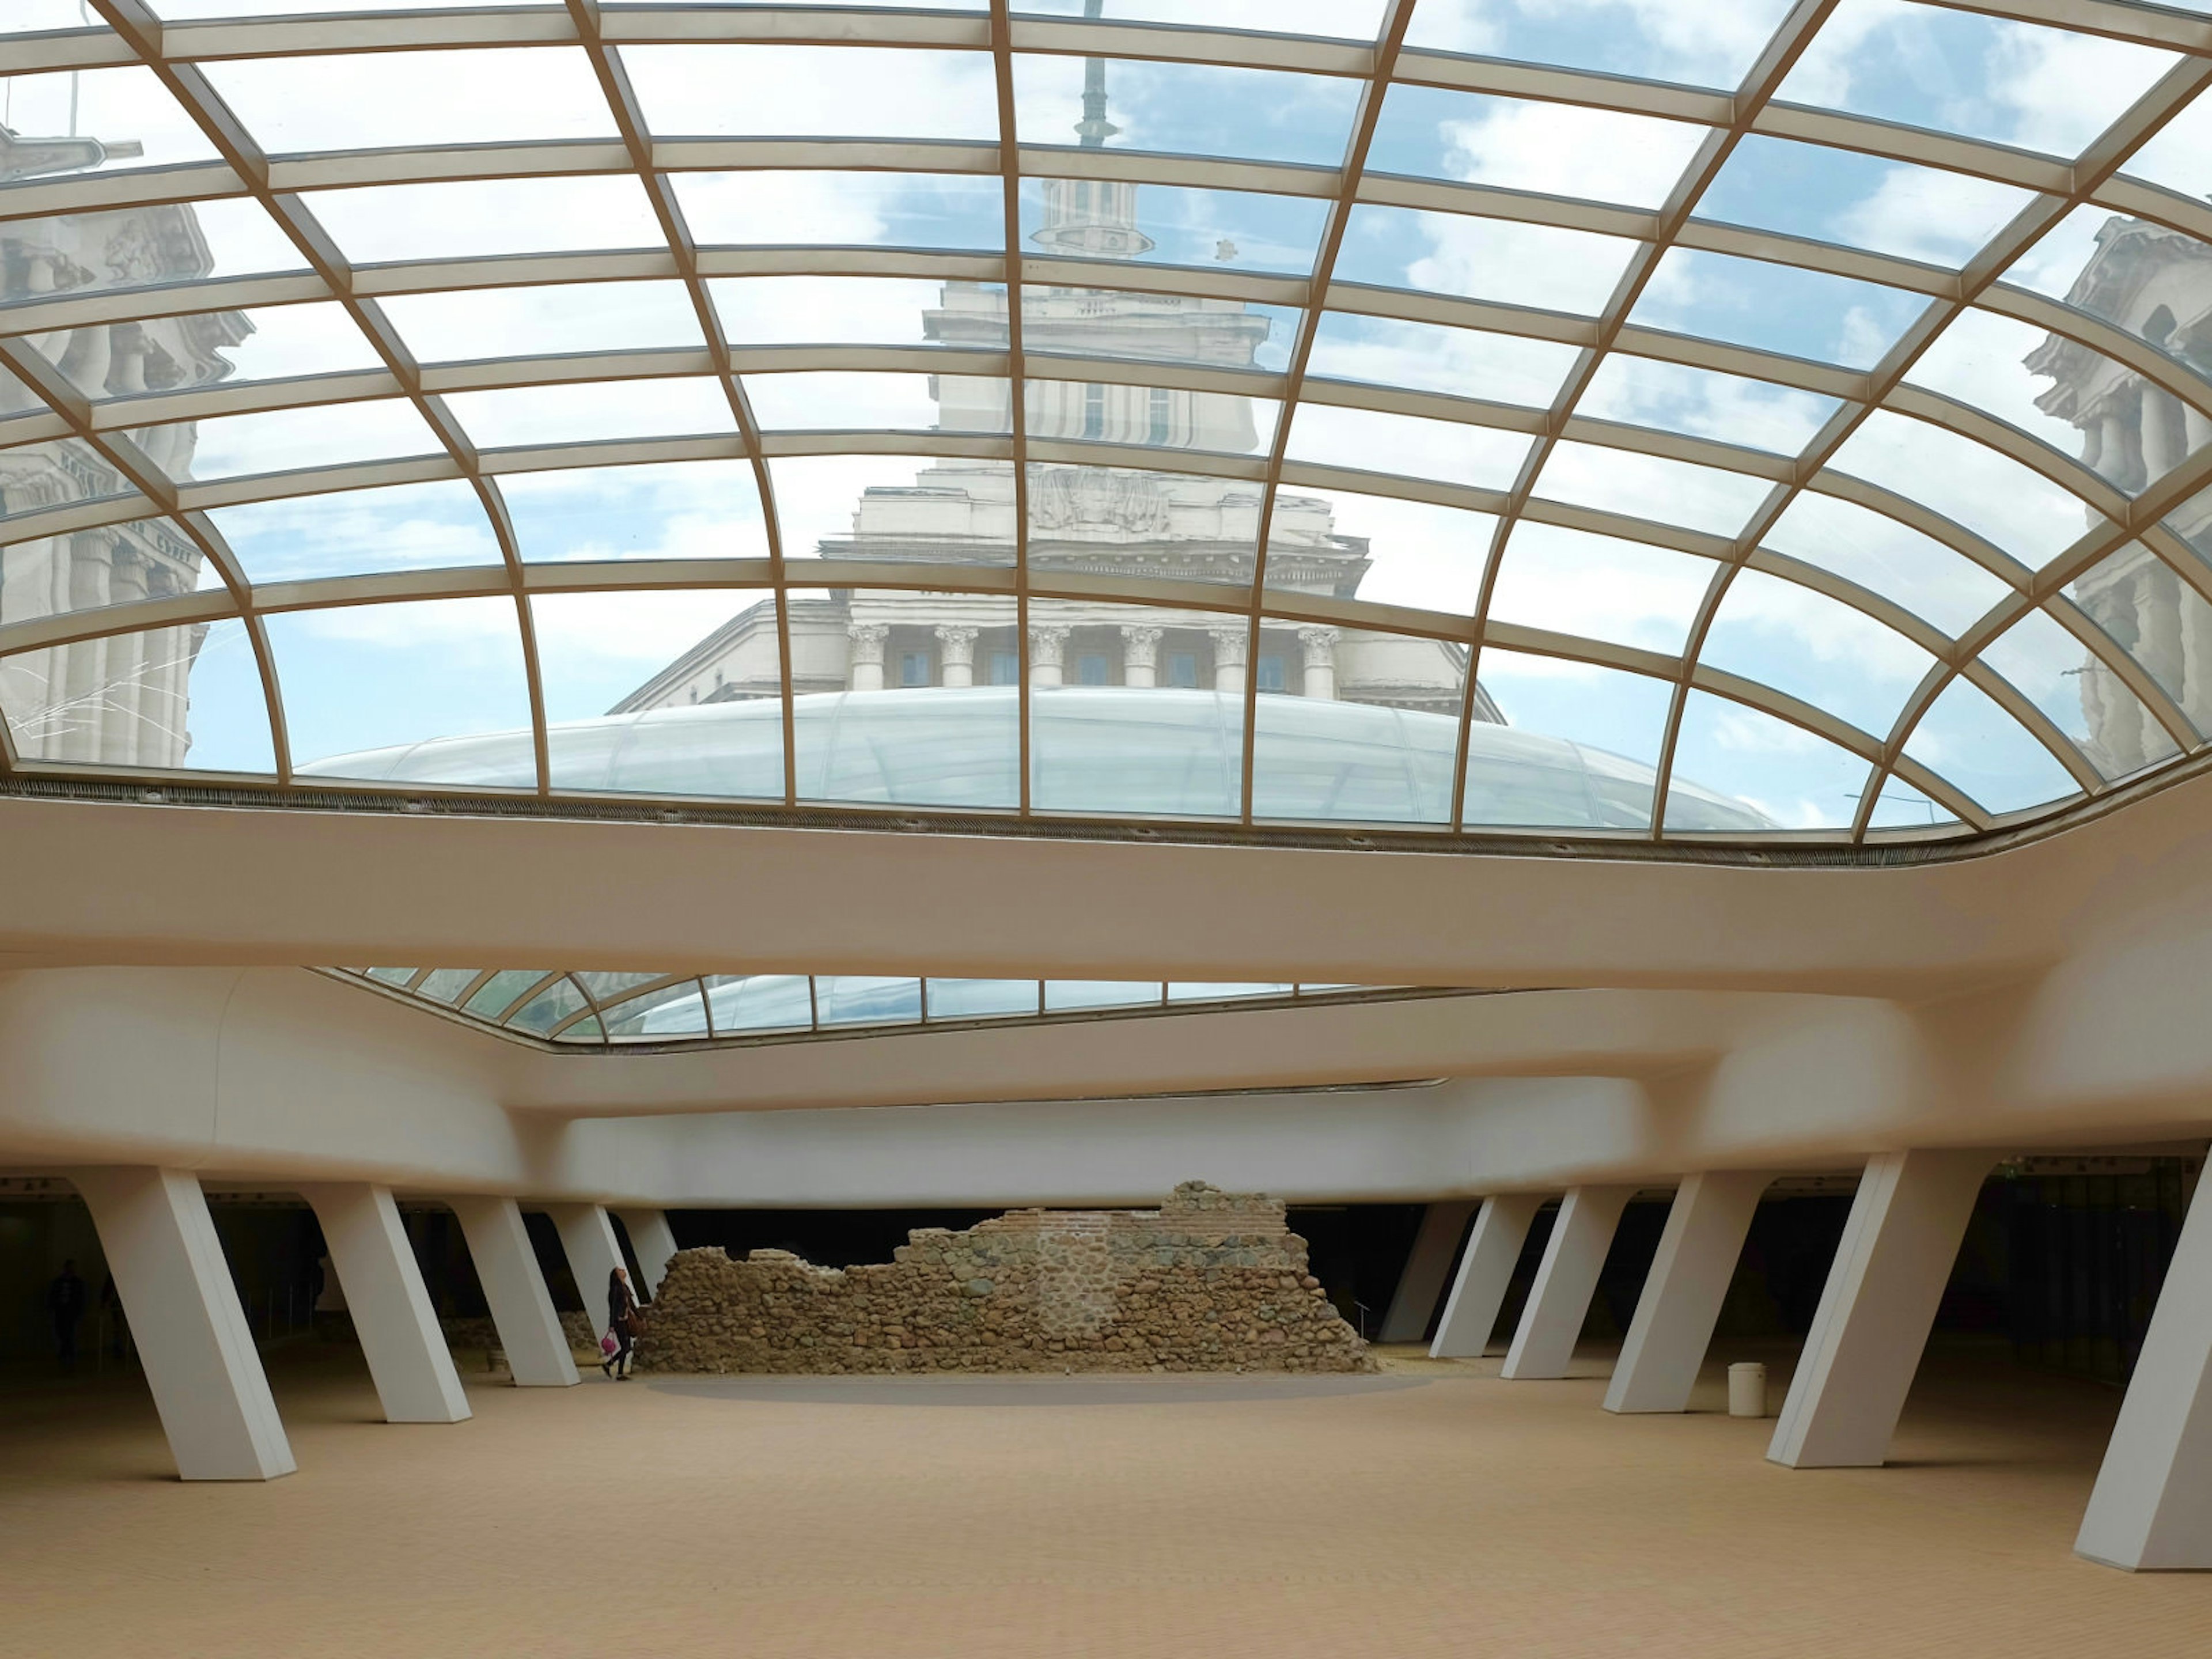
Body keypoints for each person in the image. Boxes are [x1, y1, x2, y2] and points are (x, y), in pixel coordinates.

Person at [47, 1260, 88, 1374]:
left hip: (72, 1314)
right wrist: (52, 1309)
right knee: (61, 1334)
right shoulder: (58, 1282)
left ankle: (69, 1357)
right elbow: (53, 1296)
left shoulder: (78, 1283)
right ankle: (65, 1355)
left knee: (69, 1335)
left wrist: (79, 1313)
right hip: (61, 1313)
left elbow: (81, 1299)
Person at [603, 1266, 641, 1380]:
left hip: (625, 1321)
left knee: (627, 1347)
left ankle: (609, 1364)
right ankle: (619, 1373)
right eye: (619, 1270)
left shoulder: (625, 1288)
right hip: (619, 1321)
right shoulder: (616, 1289)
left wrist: (640, 1316)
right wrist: (612, 1325)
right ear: (616, 1275)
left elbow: (631, 1304)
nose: (623, 1270)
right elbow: (613, 1307)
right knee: (625, 1347)